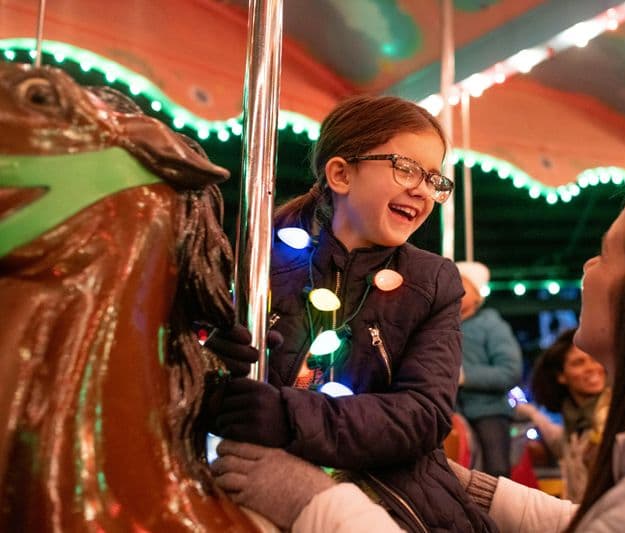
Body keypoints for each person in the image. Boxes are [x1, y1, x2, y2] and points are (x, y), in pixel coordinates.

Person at [214, 178, 625, 532]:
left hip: (482, 407)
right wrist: (475, 489)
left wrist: (320, 505)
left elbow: (431, 403)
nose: (587, 270)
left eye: (604, 254)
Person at [206, 95, 495, 531]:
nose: (422, 188)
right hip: (258, 477)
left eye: (433, 178)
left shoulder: (432, 281)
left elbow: (423, 414)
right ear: (341, 173)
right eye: (406, 167)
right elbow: (201, 393)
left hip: (388, 492)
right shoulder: (260, 264)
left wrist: (287, 417)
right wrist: (214, 364)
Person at [517, 327, 609, 502]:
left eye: (594, 359)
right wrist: (531, 413)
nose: (591, 368)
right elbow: (558, 441)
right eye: (578, 363)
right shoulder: (574, 425)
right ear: (561, 376)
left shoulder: (613, 415)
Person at [455, 261, 523, 477]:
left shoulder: (491, 324)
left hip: (488, 410)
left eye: (462, 285)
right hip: (450, 409)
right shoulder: (441, 325)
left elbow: (510, 370)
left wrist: (464, 376)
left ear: (477, 296)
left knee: (496, 471)